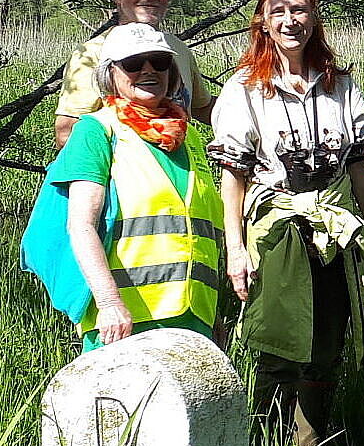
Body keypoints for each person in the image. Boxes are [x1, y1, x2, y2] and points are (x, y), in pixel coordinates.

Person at [210, 0, 364, 446]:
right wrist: (236, 247)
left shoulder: (340, 85)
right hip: (277, 233)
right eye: (279, 13)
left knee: (326, 344)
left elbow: (357, 164)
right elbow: (233, 174)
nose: (291, 22)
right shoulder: (244, 89)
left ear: (314, 18)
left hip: (333, 233)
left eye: (300, 11)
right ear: (264, 23)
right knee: (277, 344)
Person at [24, 22, 223, 351]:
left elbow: (199, 232)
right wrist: (109, 303)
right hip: (122, 321)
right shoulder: (96, 131)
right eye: (132, 63)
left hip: (191, 318)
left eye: (159, 61)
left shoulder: (189, 138)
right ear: (109, 74)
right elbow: (80, 224)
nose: (147, 70)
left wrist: (212, 313)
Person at [55, 0, 213, 149]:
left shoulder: (177, 49)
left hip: (179, 170)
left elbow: (203, 107)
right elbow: (67, 131)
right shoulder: (93, 54)